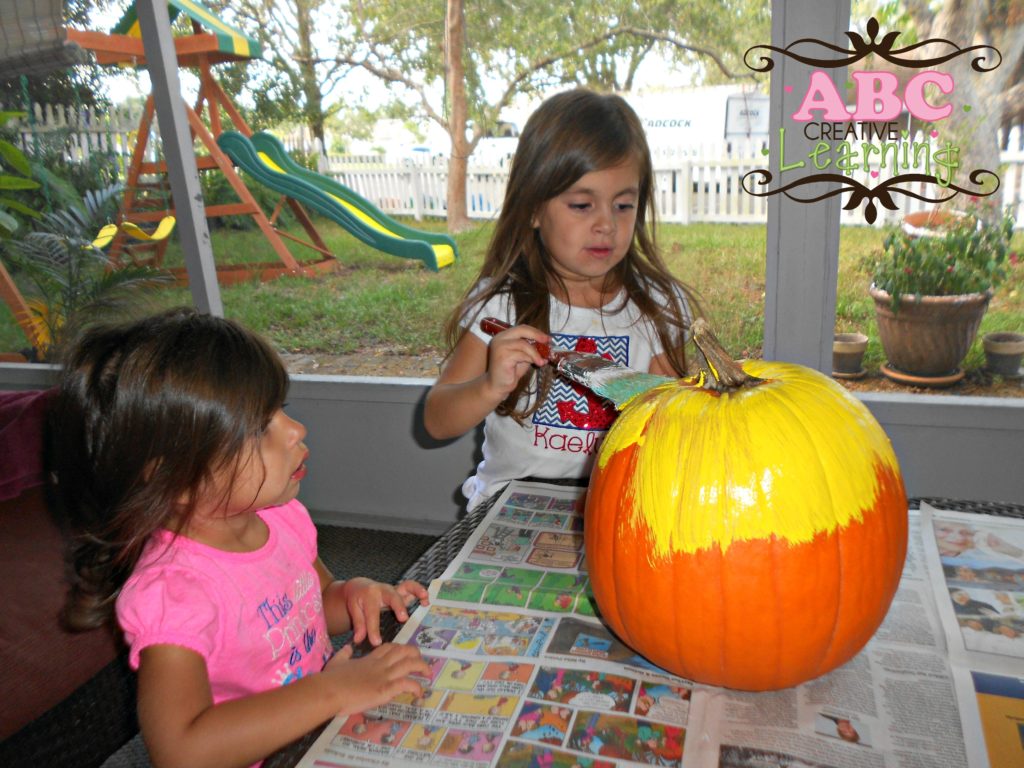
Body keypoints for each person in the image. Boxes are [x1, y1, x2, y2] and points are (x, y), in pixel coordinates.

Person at [50, 308, 431, 768]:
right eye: (256, 427)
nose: (296, 430)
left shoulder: (281, 518)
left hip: (320, 728)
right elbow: (182, 750)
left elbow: (316, 599)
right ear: (174, 476)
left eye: (281, 410)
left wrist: (356, 595)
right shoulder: (176, 593)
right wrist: (332, 690)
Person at [424, 88, 698, 510]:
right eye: (582, 204)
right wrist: (489, 386)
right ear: (533, 209)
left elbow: (678, 426)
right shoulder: (501, 305)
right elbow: (437, 420)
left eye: (624, 205)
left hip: (615, 504)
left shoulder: (656, 306)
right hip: (508, 503)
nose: (606, 223)